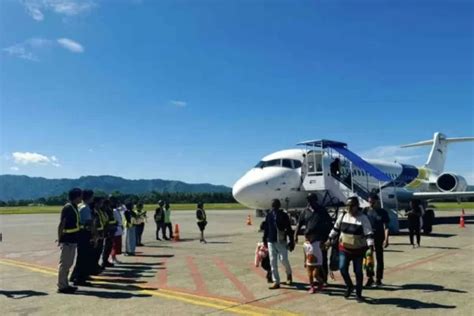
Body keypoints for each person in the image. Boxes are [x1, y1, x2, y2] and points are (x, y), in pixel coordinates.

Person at [326, 197, 374, 302]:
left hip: (358, 250)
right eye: (347, 206)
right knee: (342, 268)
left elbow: (368, 233)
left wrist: (370, 249)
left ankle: (358, 294)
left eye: (352, 206)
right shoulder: (343, 216)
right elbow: (335, 229)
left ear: (357, 206)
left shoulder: (363, 218)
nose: (349, 208)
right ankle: (349, 286)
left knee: (358, 272)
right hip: (344, 249)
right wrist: (329, 240)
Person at [295, 193, 332, 286]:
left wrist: (328, 239)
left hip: (320, 239)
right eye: (308, 200)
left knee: (322, 260)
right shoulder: (305, 211)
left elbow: (329, 223)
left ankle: (324, 279)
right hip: (309, 240)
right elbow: (299, 224)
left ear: (315, 200)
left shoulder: (322, 210)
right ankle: (316, 278)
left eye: (311, 200)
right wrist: (295, 235)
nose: (309, 202)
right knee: (311, 261)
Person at [263, 199, 295, 290]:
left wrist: (291, 241)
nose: (274, 207)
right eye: (272, 205)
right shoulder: (269, 215)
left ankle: (289, 274)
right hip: (271, 240)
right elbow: (266, 228)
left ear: (278, 206)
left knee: (283, 259)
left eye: (275, 205)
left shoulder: (283, 215)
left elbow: (288, 228)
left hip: (281, 241)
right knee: (273, 262)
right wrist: (264, 239)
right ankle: (276, 281)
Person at [57, 188, 82, 294]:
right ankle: (62, 286)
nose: (81, 198)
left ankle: (65, 284)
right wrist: (60, 238)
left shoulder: (74, 206)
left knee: (69, 263)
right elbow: (62, 224)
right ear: (76, 196)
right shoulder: (68, 208)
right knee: (65, 263)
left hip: (73, 239)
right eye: (80, 196)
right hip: (67, 239)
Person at [363, 194, 390, 287]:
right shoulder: (365, 211)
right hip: (368, 237)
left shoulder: (382, 212)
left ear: (377, 201)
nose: (370, 204)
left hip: (379, 237)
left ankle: (379, 278)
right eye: (369, 202)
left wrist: (386, 239)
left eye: (372, 202)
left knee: (379, 258)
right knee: (368, 258)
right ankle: (370, 277)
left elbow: (386, 227)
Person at [70, 189, 94, 286]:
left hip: (80, 233)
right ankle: (80, 278)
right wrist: (93, 234)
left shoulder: (79, 206)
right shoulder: (85, 207)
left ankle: (75, 275)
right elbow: (89, 222)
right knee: (84, 256)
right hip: (84, 233)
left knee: (81, 256)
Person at [91, 197, 106, 275]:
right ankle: (93, 267)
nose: (102, 204)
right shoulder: (94, 211)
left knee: (99, 250)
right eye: (100, 203)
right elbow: (95, 224)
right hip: (97, 233)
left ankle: (96, 265)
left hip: (101, 232)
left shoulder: (99, 211)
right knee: (96, 251)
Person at [101, 198, 117, 269]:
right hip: (109, 231)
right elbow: (107, 221)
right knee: (107, 246)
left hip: (112, 230)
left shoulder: (109, 210)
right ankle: (104, 261)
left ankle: (105, 260)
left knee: (109, 246)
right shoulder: (106, 211)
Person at [110, 198, 124, 264]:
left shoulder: (116, 210)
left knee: (117, 245)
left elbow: (123, 208)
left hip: (119, 228)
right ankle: (113, 258)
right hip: (116, 228)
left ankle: (114, 258)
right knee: (114, 245)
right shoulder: (114, 210)